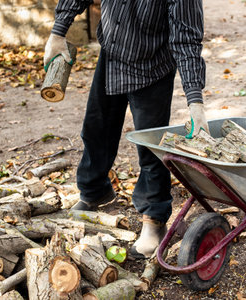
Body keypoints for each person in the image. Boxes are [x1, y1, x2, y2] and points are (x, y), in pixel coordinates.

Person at [43, 0, 209, 259]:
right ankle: (95, 192)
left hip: (152, 66)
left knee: (150, 147)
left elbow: (186, 39)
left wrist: (195, 100)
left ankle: (154, 219)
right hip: (113, 53)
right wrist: (58, 32)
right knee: (97, 128)